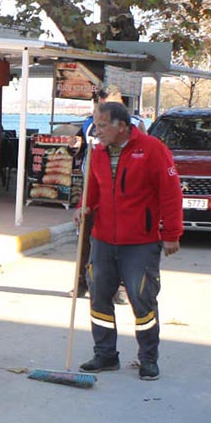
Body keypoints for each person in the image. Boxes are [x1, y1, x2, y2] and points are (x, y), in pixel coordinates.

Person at [72, 102, 182, 380]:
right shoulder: (97, 153)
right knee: (99, 297)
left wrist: (171, 234)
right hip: (103, 239)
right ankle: (105, 354)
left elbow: (171, 194)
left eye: (102, 125)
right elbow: (93, 190)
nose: (96, 131)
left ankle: (148, 359)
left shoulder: (152, 150)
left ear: (122, 126)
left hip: (140, 241)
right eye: (95, 125)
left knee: (142, 299)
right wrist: (83, 207)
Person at [73, 86, 143, 303]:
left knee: (121, 245)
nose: (102, 106)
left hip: (125, 195)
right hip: (95, 187)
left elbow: (143, 151)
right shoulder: (89, 123)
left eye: (107, 102)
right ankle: (81, 284)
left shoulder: (134, 124)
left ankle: (121, 287)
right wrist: (74, 144)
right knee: (86, 241)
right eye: (100, 102)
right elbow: (79, 145)